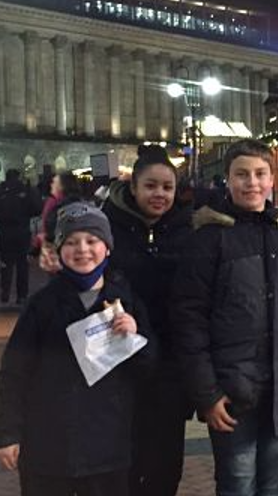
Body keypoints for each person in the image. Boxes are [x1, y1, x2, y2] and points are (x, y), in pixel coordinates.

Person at [170, 139, 278, 496]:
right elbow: (189, 320)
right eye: (242, 174)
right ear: (227, 179)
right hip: (231, 392)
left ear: (272, 180)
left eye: (259, 174)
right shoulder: (209, 240)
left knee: (276, 485)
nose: (252, 183)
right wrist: (207, 393)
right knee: (238, 484)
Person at [0, 202, 156, 496]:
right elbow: (14, 373)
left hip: (109, 449)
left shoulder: (126, 302)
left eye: (92, 240)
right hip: (48, 449)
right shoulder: (42, 306)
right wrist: (6, 433)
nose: (82, 249)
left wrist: (135, 338)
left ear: (107, 247)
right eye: (71, 242)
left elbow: (148, 368)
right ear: (58, 250)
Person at [101, 145, 193, 496]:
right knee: (122, 465)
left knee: (166, 467)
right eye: (151, 186)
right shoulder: (107, 227)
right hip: (119, 362)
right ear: (133, 186)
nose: (159, 194)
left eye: (167, 187)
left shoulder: (189, 228)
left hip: (170, 366)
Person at [0, 169, 41, 304]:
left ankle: (5, 292)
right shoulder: (25, 189)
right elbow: (36, 209)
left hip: (4, 231)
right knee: (22, 264)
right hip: (22, 230)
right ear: (19, 176)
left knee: (6, 263)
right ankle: (21, 295)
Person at [34, 172, 82, 252]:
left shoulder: (53, 203)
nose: (51, 185)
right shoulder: (80, 202)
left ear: (62, 186)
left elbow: (48, 227)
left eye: (54, 182)